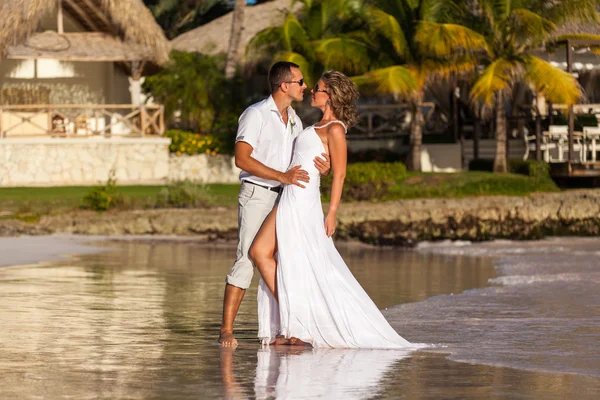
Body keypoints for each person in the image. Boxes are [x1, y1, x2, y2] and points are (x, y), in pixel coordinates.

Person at [250, 71, 423, 349]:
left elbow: (340, 174)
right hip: (290, 196)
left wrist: (331, 212)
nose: (312, 92)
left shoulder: (335, 129)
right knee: (265, 254)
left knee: (282, 257)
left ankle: (298, 327)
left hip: (304, 201)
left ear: (328, 96)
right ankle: (296, 322)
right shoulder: (317, 125)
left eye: (317, 88)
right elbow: (316, 160)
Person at [219, 61, 330, 347]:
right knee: (247, 258)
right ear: (284, 85)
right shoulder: (255, 114)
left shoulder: (295, 120)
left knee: (283, 262)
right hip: (257, 194)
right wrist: (282, 176)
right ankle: (226, 331)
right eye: (301, 82)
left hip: (285, 199)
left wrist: (324, 167)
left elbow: (300, 160)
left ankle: (290, 328)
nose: (305, 87)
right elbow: (241, 159)